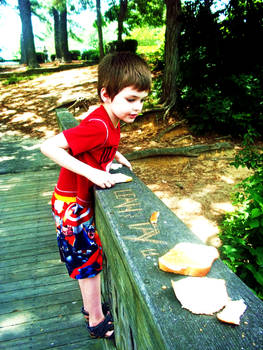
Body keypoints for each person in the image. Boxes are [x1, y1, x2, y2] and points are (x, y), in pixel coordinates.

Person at [40, 51, 152, 340]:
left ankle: (91, 309)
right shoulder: (99, 125)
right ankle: (96, 320)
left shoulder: (107, 119)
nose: (138, 107)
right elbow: (49, 147)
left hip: (72, 204)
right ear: (106, 94)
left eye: (142, 100)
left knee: (85, 259)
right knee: (89, 264)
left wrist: (114, 153)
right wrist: (93, 173)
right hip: (71, 207)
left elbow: (98, 140)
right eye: (131, 99)